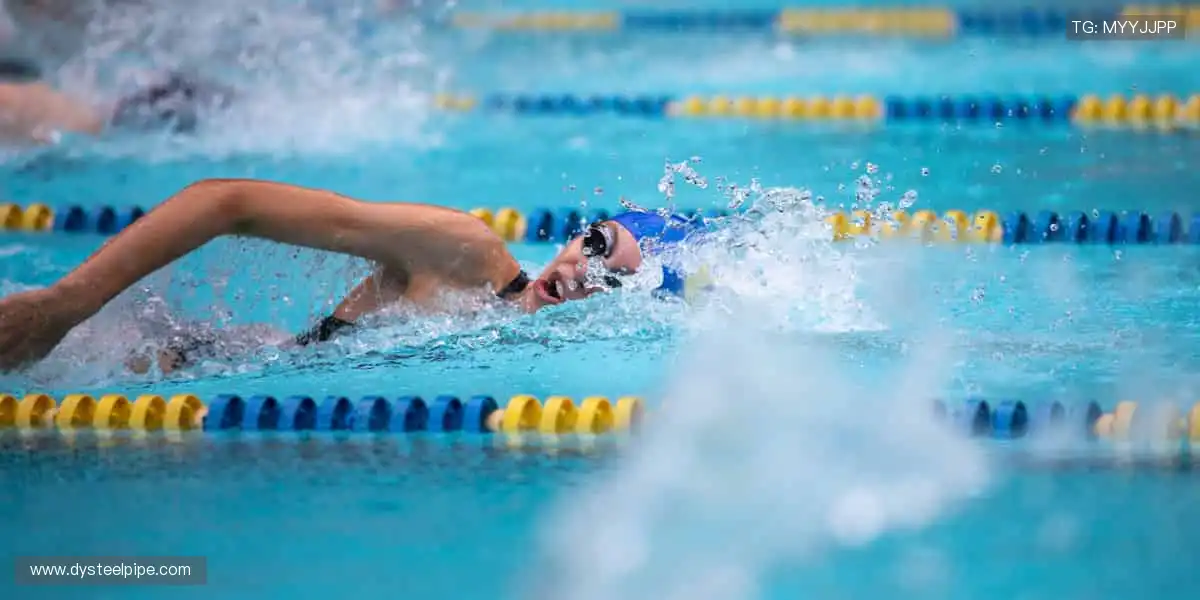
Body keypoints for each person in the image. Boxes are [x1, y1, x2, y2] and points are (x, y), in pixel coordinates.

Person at [0, 179, 708, 372]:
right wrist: (65, 304)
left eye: (612, 281)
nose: (582, 272)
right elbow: (227, 203)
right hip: (156, 361)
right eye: (595, 243)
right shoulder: (464, 254)